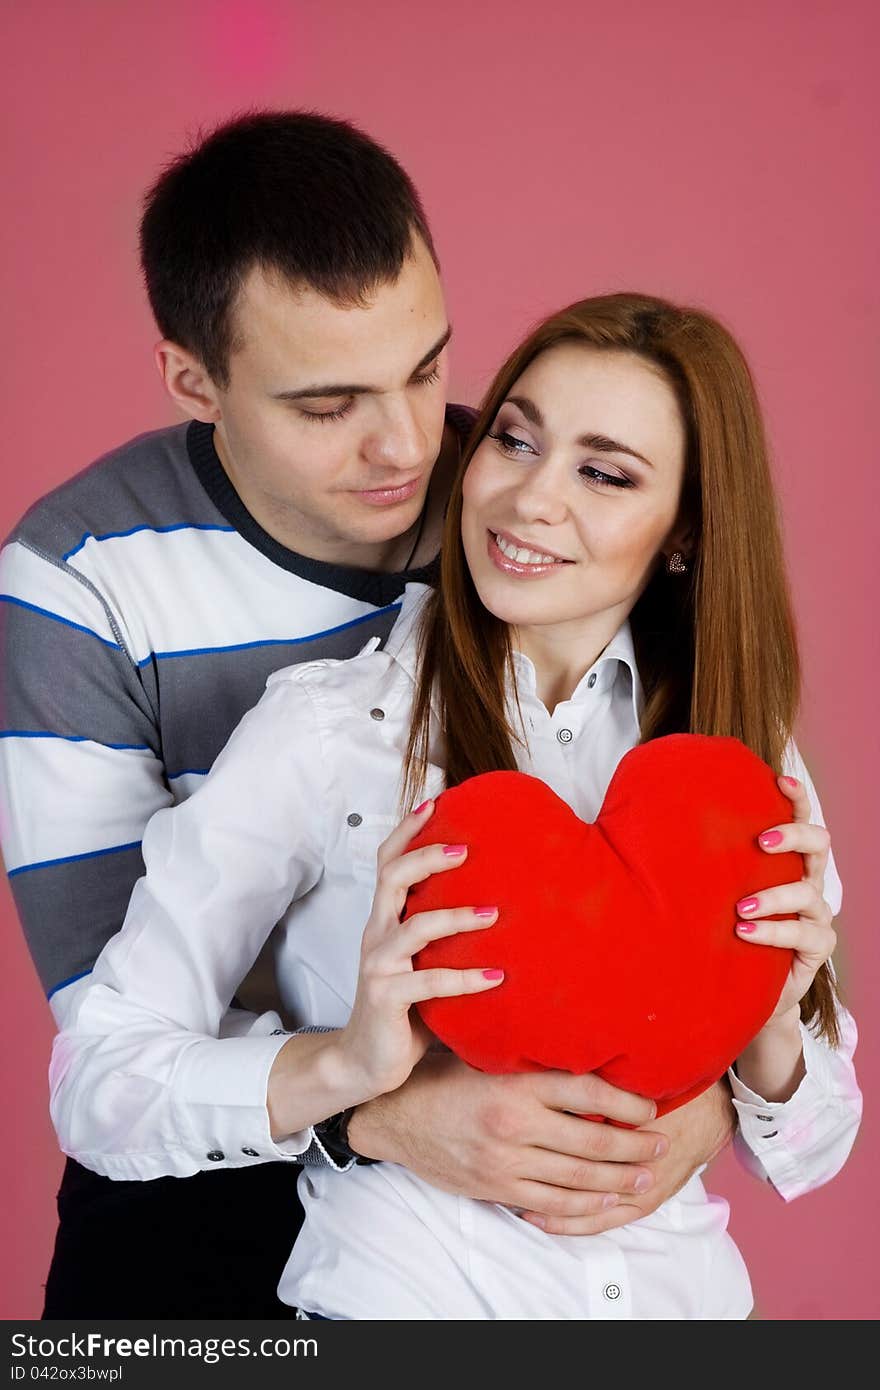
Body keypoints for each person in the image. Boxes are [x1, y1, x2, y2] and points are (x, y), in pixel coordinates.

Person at [0, 113, 733, 1319]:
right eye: (327, 402)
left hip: (497, 1229)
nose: (406, 444)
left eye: (428, 368)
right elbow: (114, 1024)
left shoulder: (518, 507)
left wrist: (695, 1084)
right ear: (195, 379)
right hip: (202, 1204)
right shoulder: (79, 576)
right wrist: (382, 1115)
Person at [50, 293, 860, 1319]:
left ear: (685, 529)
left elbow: (818, 1140)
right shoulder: (330, 731)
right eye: (515, 441)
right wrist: (352, 1077)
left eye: (603, 472)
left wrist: (774, 1031)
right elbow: (100, 1083)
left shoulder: (744, 766)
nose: (528, 500)